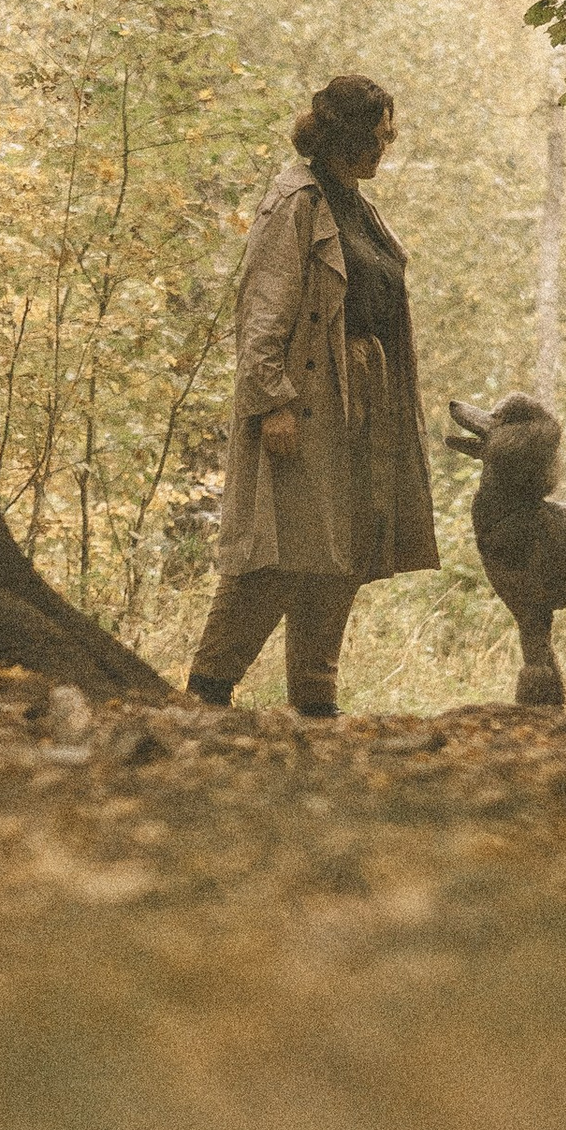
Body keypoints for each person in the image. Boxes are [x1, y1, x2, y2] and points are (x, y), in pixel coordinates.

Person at [186, 72, 439, 716]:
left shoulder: (355, 202)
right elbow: (263, 311)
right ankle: (210, 688)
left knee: (345, 546)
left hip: (363, 395)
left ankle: (315, 695)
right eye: (377, 136)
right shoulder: (296, 201)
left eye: (389, 136)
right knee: (275, 551)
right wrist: (272, 402)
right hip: (305, 398)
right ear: (346, 136)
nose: (386, 147)